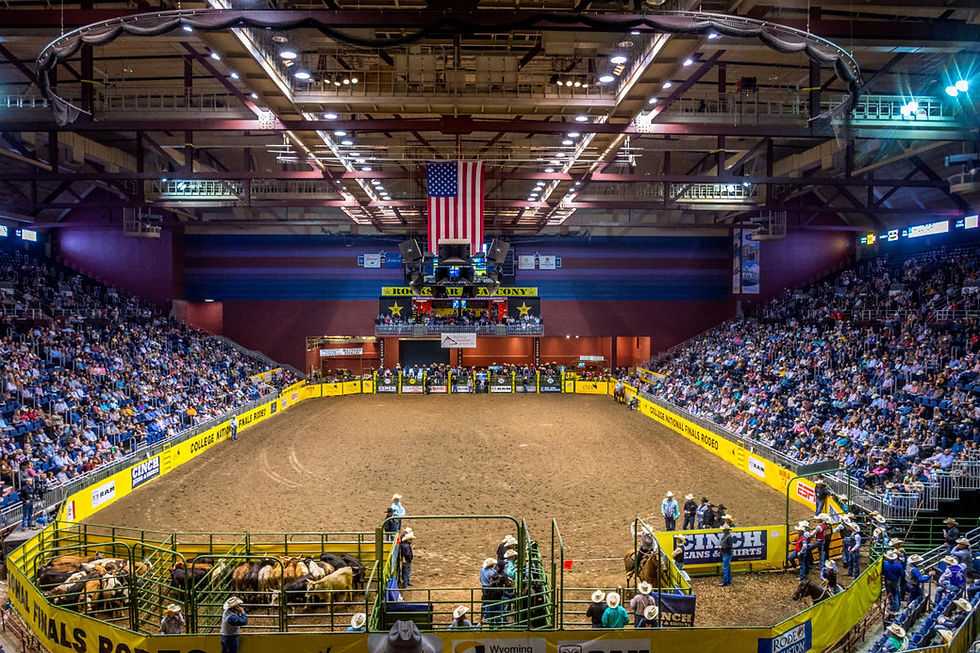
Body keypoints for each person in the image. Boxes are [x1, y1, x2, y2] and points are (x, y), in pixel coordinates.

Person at [479, 558, 499, 624]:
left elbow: (480, 578)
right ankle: (489, 618)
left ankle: (482, 616)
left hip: (484, 587)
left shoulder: (482, 570)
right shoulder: (492, 572)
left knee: (484, 601)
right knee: (491, 603)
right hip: (490, 589)